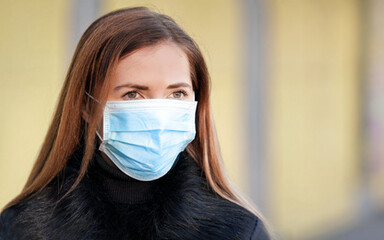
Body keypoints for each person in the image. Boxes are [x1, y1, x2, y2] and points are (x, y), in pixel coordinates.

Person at [0, 7, 270, 239]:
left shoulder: (239, 230)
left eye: (177, 94)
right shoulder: (23, 229)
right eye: (133, 94)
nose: (159, 115)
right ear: (86, 105)